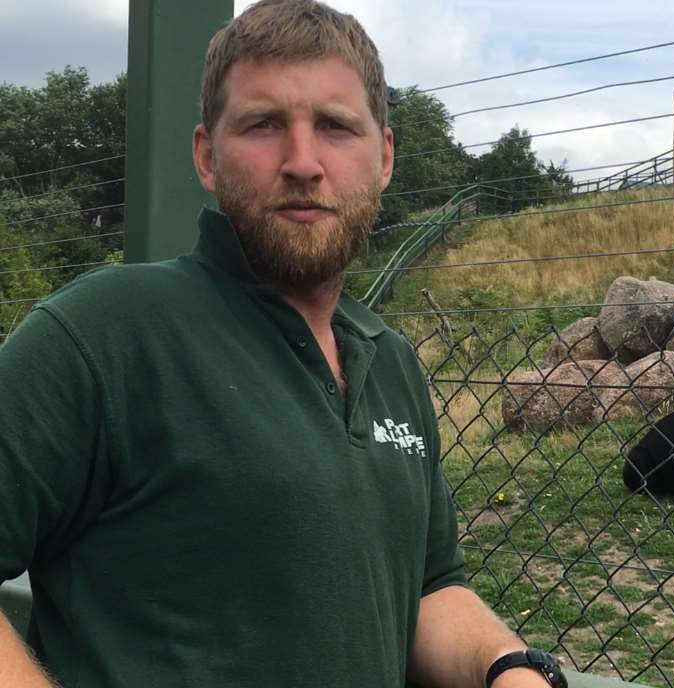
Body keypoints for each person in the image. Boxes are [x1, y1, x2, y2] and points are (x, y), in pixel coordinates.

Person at [0, 1, 566, 686]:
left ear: (383, 156)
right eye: (264, 124)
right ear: (207, 155)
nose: (303, 161)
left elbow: (426, 589)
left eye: (335, 126)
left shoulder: (390, 359)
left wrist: (508, 668)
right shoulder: (103, 332)